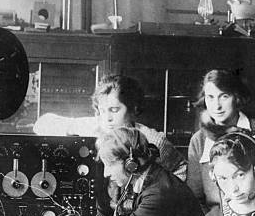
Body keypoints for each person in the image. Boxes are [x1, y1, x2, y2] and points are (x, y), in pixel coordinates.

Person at [33, 74, 186, 180]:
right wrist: (72, 127)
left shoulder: (153, 140)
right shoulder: (96, 126)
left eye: (114, 110)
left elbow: (182, 172)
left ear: (133, 109)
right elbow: (40, 124)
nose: (107, 118)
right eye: (102, 111)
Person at [187, 69, 255, 212]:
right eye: (210, 97)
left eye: (224, 96)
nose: (216, 106)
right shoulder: (199, 141)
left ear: (236, 97)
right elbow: (195, 198)